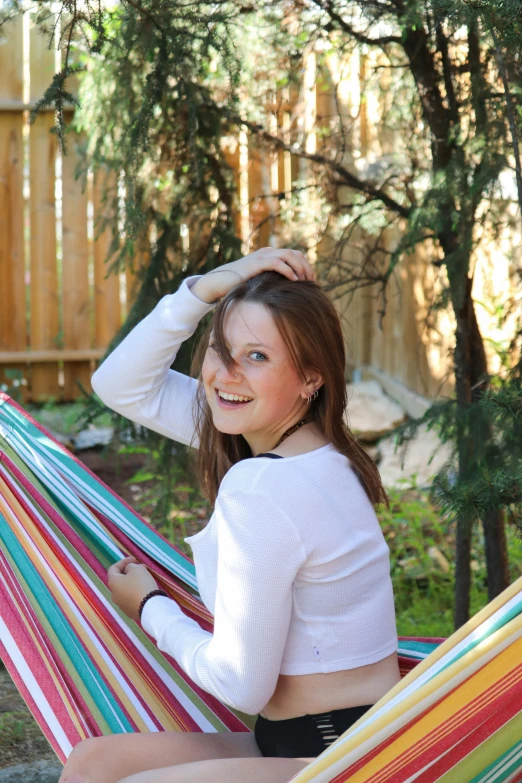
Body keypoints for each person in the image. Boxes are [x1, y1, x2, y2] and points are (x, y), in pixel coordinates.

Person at [58, 248, 400, 783]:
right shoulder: (316, 450)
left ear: (311, 377)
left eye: (258, 356)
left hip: (338, 757)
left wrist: (149, 607)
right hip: (321, 736)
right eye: (220, 350)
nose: (226, 375)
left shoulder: (263, 485)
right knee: (93, 763)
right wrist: (208, 288)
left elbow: (241, 685)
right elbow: (119, 385)